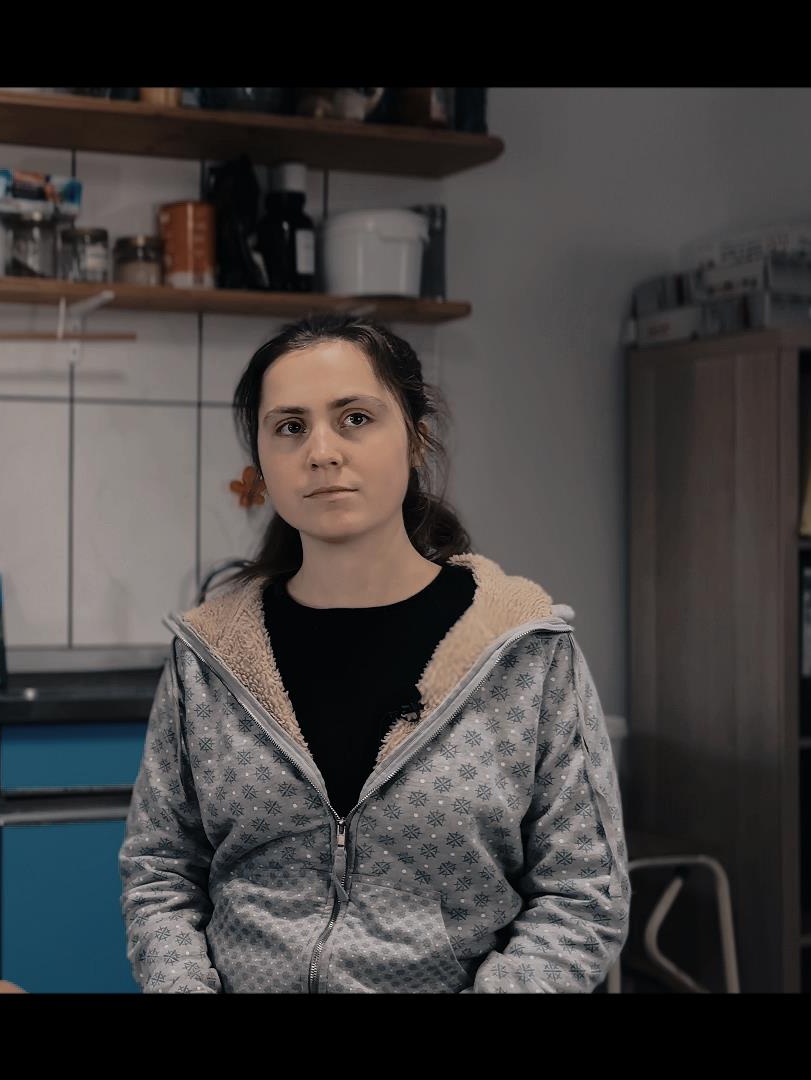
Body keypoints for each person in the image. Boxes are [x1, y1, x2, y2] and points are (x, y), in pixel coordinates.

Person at [119, 313, 629, 992]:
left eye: (355, 418)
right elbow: (159, 871)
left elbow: (583, 894)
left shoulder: (524, 649)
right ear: (262, 463)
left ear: (416, 438)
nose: (321, 451)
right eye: (290, 427)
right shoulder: (206, 657)